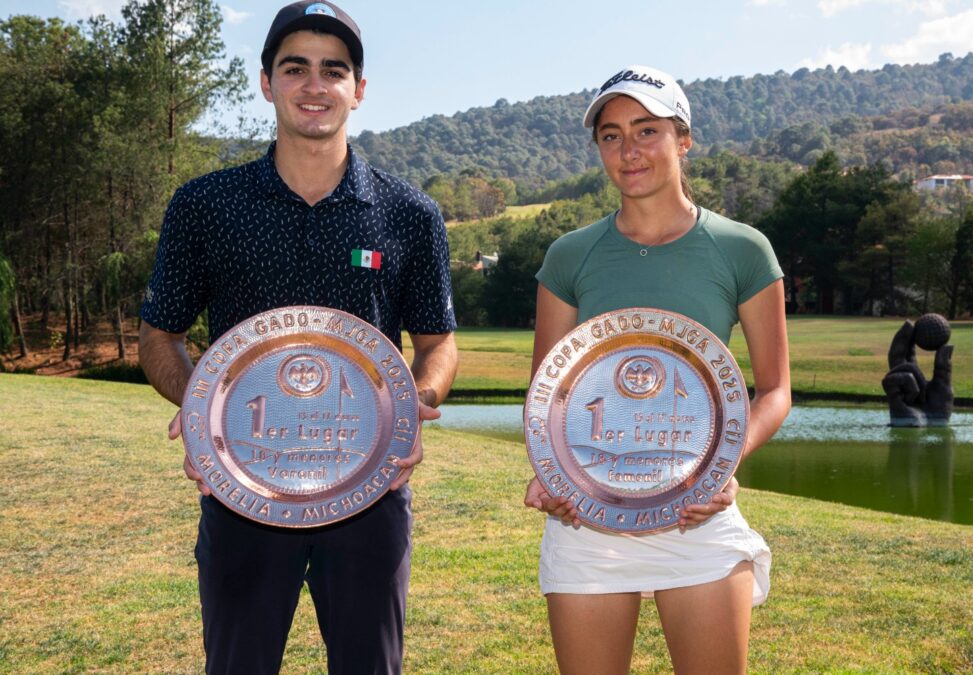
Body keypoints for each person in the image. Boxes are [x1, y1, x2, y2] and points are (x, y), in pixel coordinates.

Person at [137, 3, 458, 673]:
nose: (315, 85)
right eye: (296, 68)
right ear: (266, 82)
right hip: (244, 487)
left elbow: (437, 342)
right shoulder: (205, 204)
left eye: (333, 70)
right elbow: (159, 334)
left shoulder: (409, 212)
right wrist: (201, 410)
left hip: (370, 486)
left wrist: (416, 400)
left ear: (358, 89)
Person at [523, 65, 791, 674]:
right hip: (589, 521)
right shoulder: (569, 255)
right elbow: (548, 398)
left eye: (646, 131)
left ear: (683, 138)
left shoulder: (742, 249)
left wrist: (723, 465)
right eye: (611, 136)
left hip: (699, 517)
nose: (628, 150)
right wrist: (550, 474)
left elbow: (774, 390)